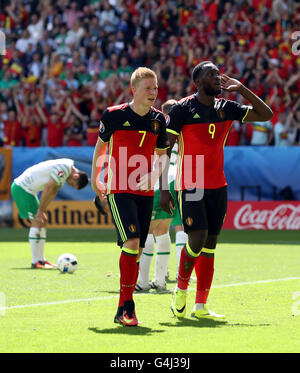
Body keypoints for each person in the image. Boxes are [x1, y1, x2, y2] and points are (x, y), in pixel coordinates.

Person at [160, 61, 273, 320]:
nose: (217, 77)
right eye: (211, 74)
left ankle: (201, 306)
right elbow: (166, 151)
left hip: (218, 185)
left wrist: (242, 88)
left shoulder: (227, 107)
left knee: (210, 245)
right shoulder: (181, 110)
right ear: (197, 82)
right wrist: (164, 189)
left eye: (218, 73)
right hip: (191, 183)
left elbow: (266, 115)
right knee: (196, 240)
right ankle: (180, 290)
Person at [91, 67, 169, 327]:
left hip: (146, 193)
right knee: (134, 242)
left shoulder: (159, 120)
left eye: (155, 88)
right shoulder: (113, 115)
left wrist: (156, 172)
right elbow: (101, 145)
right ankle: (128, 307)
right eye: (148, 88)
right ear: (133, 90)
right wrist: (95, 177)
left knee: (134, 249)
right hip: (119, 190)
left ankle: (121, 308)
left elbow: (162, 155)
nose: (153, 92)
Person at [136, 99, 188, 292]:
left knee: (147, 231)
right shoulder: (183, 129)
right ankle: (160, 281)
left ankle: (142, 282)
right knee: (164, 230)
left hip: (161, 181)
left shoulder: (157, 126)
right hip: (178, 180)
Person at [11, 159, 89, 269]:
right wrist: (40, 211)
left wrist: (42, 211)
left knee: (43, 220)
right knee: (37, 221)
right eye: (72, 185)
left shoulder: (66, 170)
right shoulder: (65, 168)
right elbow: (48, 188)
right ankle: (36, 262)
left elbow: (53, 191)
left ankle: (42, 260)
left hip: (28, 190)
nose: (70, 185)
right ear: (75, 176)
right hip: (22, 189)